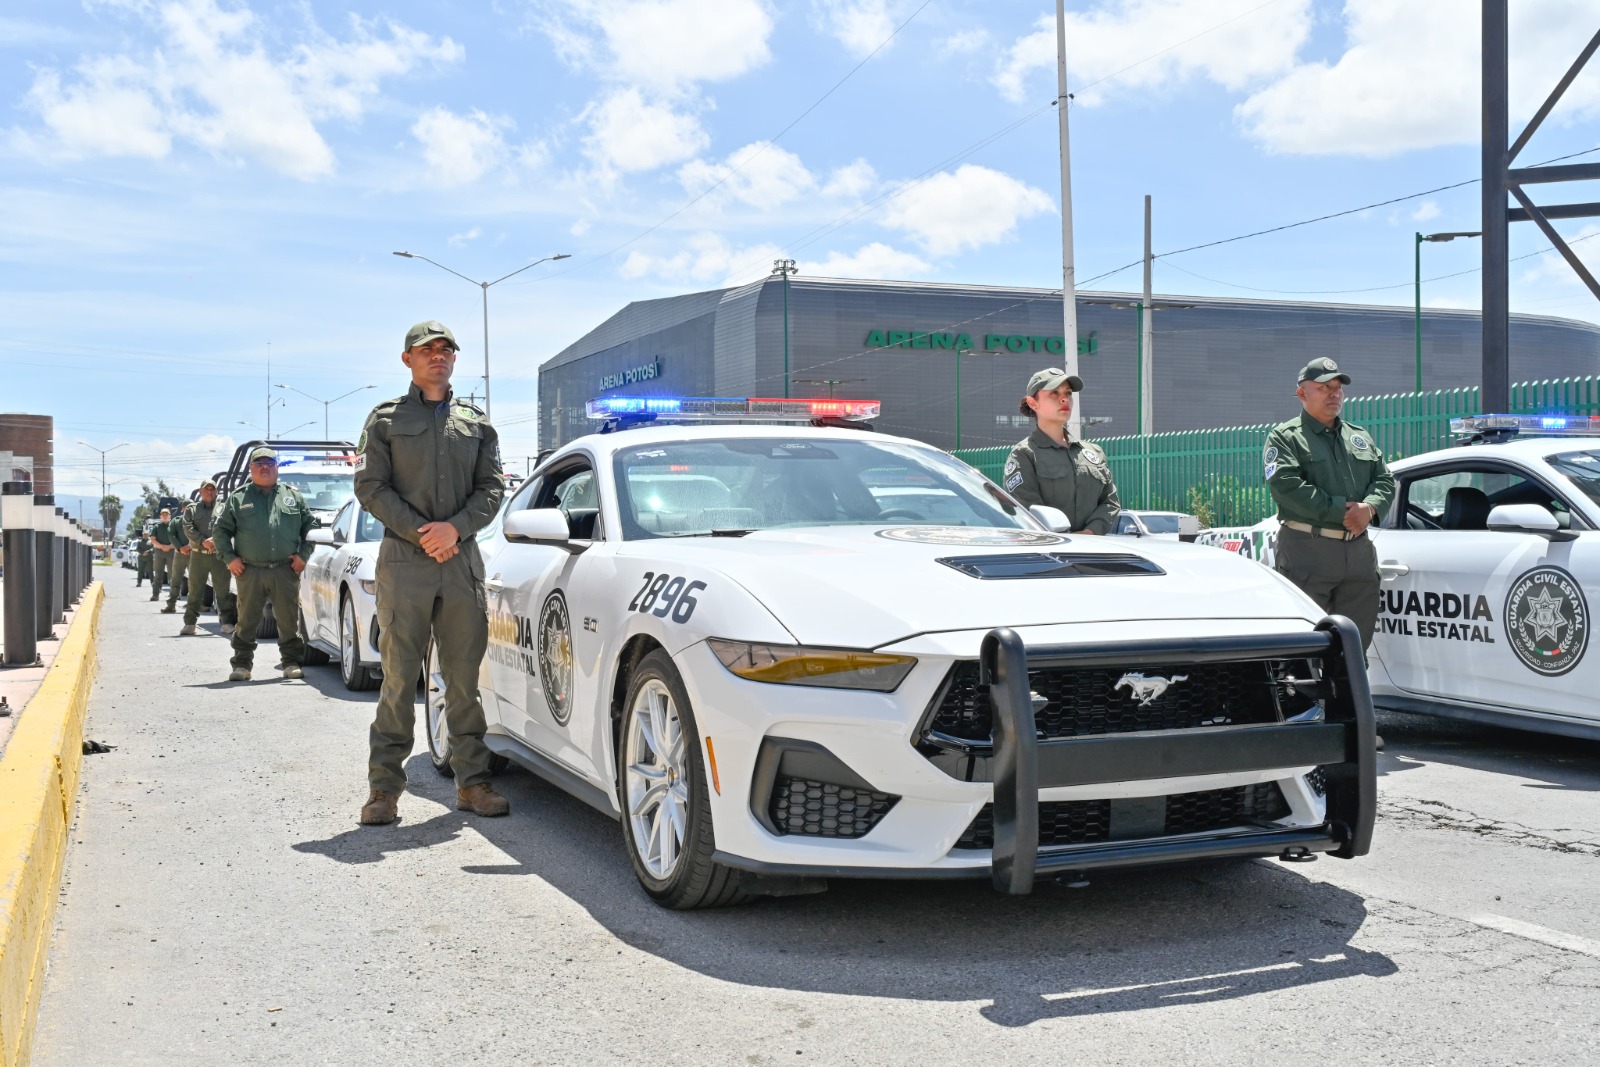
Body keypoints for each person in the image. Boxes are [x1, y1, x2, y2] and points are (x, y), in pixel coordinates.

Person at [354, 320, 506, 826]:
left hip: (459, 564)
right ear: (408, 360)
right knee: (398, 679)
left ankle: (472, 784)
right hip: (405, 564)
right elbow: (370, 488)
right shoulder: (384, 420)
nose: (437, 356)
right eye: (427, 350)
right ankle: (384, 791)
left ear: (454, 359)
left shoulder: (476, 422)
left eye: (445, 350)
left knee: (462, 680)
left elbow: (491, 489)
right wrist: (424, 532)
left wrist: (455, 530)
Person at [1264, 358, 1396, 650]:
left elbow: (1385, 479)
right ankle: (1306, 697)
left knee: (1354, 650)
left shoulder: (1358, 435)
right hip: (1308, 551)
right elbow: (1285, 487)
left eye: (1338, 388)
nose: (1334, 394)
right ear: (1302, 394)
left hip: (1358, 553)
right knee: (1304, 650)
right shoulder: (1286, 437)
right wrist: (1340, 512)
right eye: (1324, 388)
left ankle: (1351, 697)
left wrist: (1369, 509)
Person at [213, 447, 315, 682]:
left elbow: (310, 528)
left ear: (277, 467)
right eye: (259, 463)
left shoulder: (293, 496)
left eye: (270, 462)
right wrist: (229, 558)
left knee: (289, 619)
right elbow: (220, 531)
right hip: (250, 570)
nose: (264, 466)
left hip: (285, 569)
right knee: (247, 620)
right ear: (251, 468)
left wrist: (304, 555)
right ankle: (241, 665)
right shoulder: (238, 498)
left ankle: (290, 662)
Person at [1003, 367, 1120, 534]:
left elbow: (1109, 501)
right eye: (1054, 393)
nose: (1064, 399)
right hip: (1049, 551)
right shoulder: (1024, 454)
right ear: (1033, 403)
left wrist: (1090, 532)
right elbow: (1027, 509)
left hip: (1093, 548)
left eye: (1068, 393)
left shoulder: (1093, 452)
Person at [180, 479, 238, 637]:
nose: (209, 492)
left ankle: (226, 623)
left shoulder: (224, 508)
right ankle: (190, 623)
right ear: (200, 492)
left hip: (219, 556)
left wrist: (215, 540)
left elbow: (231, 526)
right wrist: (202, 541)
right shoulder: (192, 509)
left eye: (212, 489)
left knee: (223, 591)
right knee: (195, 590)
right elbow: (187, 526)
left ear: (217, 491)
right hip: (198, 556)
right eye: (206, 489)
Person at [148, 507, 181, 608]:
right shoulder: (156, 527)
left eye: (167, 514)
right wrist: (162, 546)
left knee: (173, 574)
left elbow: (178, 538)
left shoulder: (174, 525)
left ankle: (174, 595)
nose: (165, 516)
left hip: (172, 551)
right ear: (160, 516)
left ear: (170, 516)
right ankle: (155, 594)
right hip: (159, 552)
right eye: (163, 514)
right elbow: (153, 539)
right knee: (158, 574)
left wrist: (169, 546)